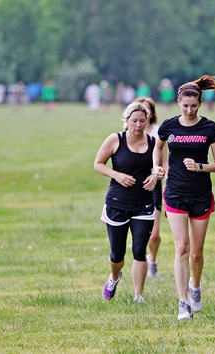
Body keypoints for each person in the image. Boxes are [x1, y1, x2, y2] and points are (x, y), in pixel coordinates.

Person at [152, 75, 215, 320]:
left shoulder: (210, 128)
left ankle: (195, 286)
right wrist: (157, 168)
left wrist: (200, 167)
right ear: (179, 103)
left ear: (200, 104)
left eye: (193, 106)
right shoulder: (169, 126)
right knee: (181, 247)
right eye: (185, 106)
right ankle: (182, 303)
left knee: (196, 253)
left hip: (201, 195)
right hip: (175, 193)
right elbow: (158, 147)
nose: (189, 110)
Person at [94, 102, 159, 303]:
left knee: (140, 251)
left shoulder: (154, 143)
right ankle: (114, 277)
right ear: (126, 120)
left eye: (142, 121)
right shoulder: (115, 139)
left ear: (148, 120)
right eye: (134, 121)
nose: (138, 125)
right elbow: (98, 164)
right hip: (117, 202)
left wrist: (156, 176)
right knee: (117, 254)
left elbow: (162, 167)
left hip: (144, 203)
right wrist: (117, 175)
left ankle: (138, 296)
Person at [133, 96, 166, 279]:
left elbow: (165, 163)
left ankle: (152, 258)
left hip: (154, 186)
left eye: (146, 111)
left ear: (151, 114)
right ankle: (140, 263)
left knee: (153, 236)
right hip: (134, 187)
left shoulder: (159, 133)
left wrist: (160, 176)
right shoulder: (126, 134)